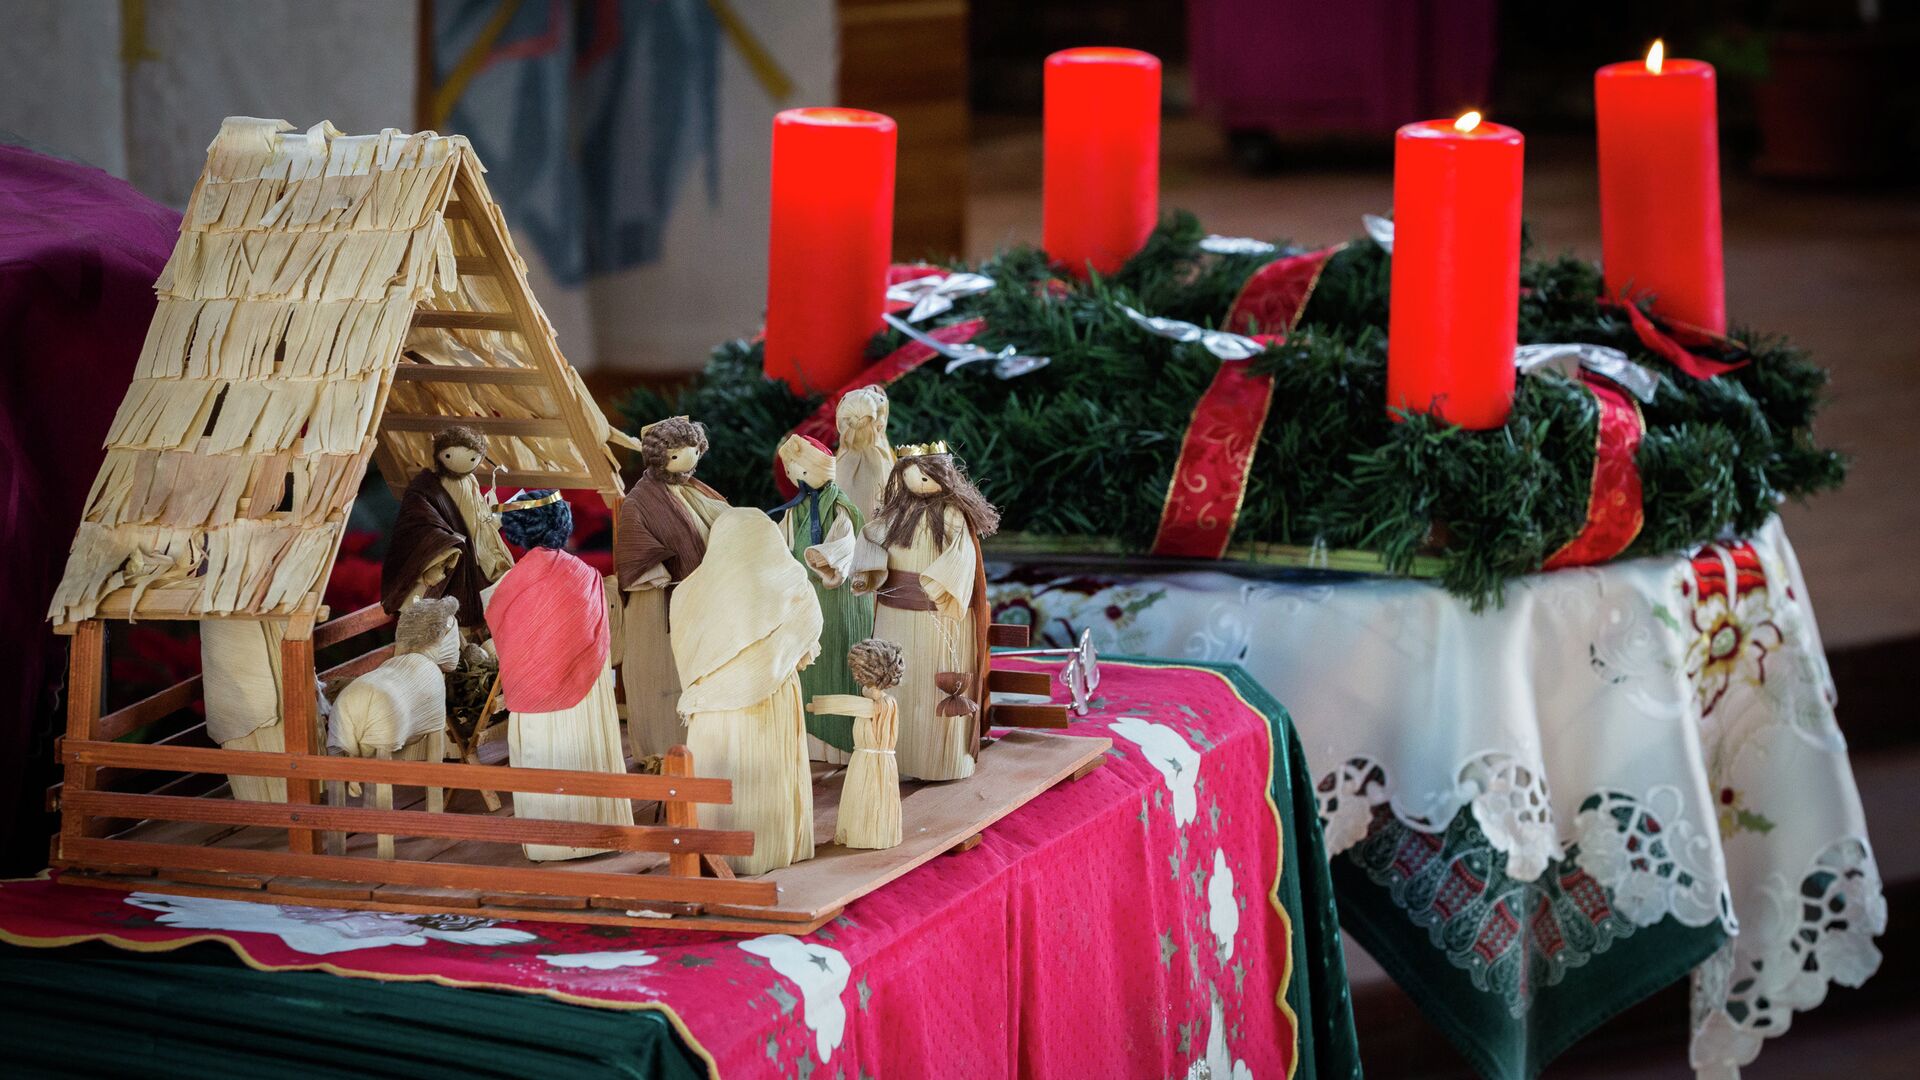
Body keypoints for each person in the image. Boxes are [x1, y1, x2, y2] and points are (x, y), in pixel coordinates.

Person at [671, 509, 822, 875]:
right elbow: (807, 641)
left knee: (718, 773)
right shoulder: (791, 582)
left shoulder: (687, 593)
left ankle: (713, 849)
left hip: (710, 712)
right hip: (768, 702)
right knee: (765, 775)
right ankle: (771, 848)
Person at [853, 443, 998, 782]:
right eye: (911, 476)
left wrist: (934, 589)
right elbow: (869, 537)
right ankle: (898, 757)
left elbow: (961, 559)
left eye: (926, 476)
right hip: (895, 616)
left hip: (939, 616)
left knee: (935, 688)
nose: (919, 482)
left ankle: (942, 761)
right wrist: (868, 568)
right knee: (898, 687)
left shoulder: (952, 517)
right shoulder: (893, 516)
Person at [486, 546, 634, 862]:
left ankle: (549, 843)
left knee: (544, 756)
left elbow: (503, 638)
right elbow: (604, 639)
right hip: (584, 693)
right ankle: (604, 833)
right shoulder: (585, 575)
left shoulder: (510, 586)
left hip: (532, 698)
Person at [614, 416, 729, 759]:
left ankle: (703, 745)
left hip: (699, 599)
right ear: (659, 457)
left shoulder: (694, 489)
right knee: (663, 673)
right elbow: (633, 551)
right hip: (659, 601)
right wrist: (664, 573)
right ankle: (663, 749)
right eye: (680, 454)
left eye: (695, 451)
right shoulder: (639, 500)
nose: (691, 459)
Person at [770, 433, 883, 761]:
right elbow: (780, 539)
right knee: (807, 667)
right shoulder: (795, 510)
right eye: (790, 470)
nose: (792, 476)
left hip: (834, 600)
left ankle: (840, 746)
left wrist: (824, 559)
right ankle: (807, 740)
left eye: (796, 469)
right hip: (803, 600)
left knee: (834, 658)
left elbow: (845, 546)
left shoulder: (839, 507)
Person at [381, 424, 514, 627]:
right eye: (450, 456)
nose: (461, 463)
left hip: (478, 546)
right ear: (440, 455)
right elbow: (424, 516)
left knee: (487, 592)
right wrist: (446, 544)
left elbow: (478, 512)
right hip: (454, 552)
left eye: (471, 459)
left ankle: (478, 638)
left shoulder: (471, 482)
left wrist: (491, 519)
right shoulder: (431, 486)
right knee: (452, 602)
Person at [806, 638, 904, 849]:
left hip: (868, 761)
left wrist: (816, 706)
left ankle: (866, 836)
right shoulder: (888, 702)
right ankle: (878, 833)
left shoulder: (875, 705)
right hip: (880, 760)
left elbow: (844, 705)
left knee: (867, 798)